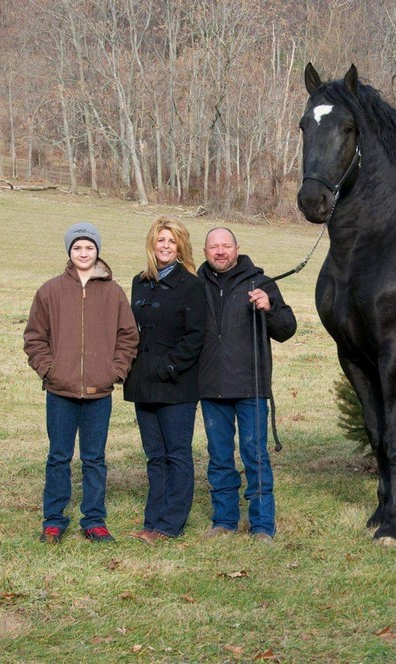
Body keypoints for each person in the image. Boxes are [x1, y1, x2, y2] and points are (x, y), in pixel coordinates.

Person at [23, 222, 138, 544]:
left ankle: (94, 520)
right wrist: (50, 370)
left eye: (89, 247)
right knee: (59, 456)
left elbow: (128, 337)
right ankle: (54, 520)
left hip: (99, 392)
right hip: (61, 391)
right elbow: (34, 337)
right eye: (77, 248)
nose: (83, 253)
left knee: (94, 458)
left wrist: (114, 372)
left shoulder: (113, 292)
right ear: (69, 252)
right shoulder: (50, 290)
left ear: (97, 251)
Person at [197, 227, 297, 541]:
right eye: (214, 247)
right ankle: (224, 521)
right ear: (205, 252)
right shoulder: (194, 285)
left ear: (237, 248)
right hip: (211, 387)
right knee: (219, 457)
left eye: (226, 245)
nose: (220, 251)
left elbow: (287, 329)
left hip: (251, 387)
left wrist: (270, 307)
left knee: (255, 455)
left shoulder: (260, 282)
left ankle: (263, 526)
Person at [123, 218, 206, 544]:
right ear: (152, 245)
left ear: (180, 246)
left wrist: (169, 366)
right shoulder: (140, 282)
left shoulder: (191, 285)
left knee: (177, 454)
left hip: (176, 385)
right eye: (161, 241)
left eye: (172, 241)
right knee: (155, 456)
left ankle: (170, 524)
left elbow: (195, 335)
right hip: (143, 383)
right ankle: (151, 521)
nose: (166, 246)